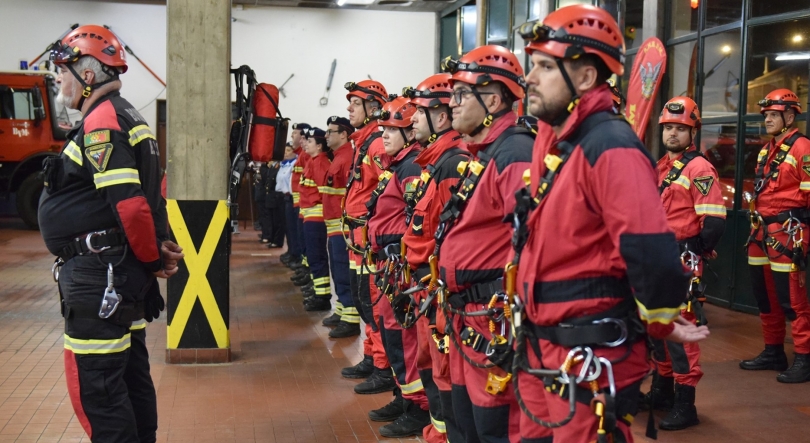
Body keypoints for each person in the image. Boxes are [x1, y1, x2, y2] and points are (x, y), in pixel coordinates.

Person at [514, 6, 709, 442]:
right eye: (533, 65)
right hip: (542, 342)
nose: (530, 78)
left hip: (588, 352)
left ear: (584, 79)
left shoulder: (611, 147)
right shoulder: (558, 140)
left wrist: (659, 321)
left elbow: (651, 253)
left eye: (545, 67)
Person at [38, 24, 183, 443]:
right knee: (130, 377)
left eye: (63, 70)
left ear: (88, 74)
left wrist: (153, 258)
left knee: (99, 390)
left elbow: (130, 204)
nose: (58, 79)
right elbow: (152, 196)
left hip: (99, 275)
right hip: (119, 272)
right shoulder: (130, 115)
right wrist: (153, 252)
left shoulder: (102, 121)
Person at [437, 44, 533, 443]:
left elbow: (531, 242)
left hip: (491, 318)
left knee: (493, 427)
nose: (451, 104)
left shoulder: (515, 154)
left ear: (493, 100)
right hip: (467, 315)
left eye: (461, 95)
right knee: (464, 420)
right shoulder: (486, 151)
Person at [402, 72, 469, 443]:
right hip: (425, 287)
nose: (411, 119)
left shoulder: (451, 165)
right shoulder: (434, 163)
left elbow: (453, 236)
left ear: (441, 118)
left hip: (438, 290)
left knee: (443, 373)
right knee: (430, 367)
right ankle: (435, 433)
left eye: (419, 112)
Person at [650, 96, 725, 430]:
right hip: (658, 258)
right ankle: (662, 393)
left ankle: (686, 405)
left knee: (682, 331)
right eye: (669, 128)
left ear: (692, 131)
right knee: (658, 329)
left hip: (681, 258)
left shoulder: (699, 168)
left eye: (680, 128)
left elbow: (714, 222)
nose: (673, 134)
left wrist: (698, 252)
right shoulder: (661, 166)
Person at [365, 96, 431, 437]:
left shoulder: (410, 168)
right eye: (384, 128)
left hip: (399, 266)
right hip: (388, 265)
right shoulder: (396, 165)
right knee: (392, 336)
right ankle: (404, 397)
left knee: (403, 340)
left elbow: (414, 220)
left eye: (393, 129)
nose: (385, 134)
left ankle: (418, 406)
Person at [741, 88, 810, 384]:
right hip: (762, 230)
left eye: (773, 115)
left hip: (789, 232)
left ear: (790, 116)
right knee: (765, 296)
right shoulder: (767, 149)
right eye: (766, 115)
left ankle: (805, 357)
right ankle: (773, 351)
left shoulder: (802, 147)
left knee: (791, 298)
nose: (767, 120)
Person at [339, 80, 396, 395]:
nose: (349, 109)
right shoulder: (362, 142)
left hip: (368, 239)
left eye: (355, 104)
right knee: (364, 301)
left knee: (373, 301)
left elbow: (387, 193)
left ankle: (382, 367)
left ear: (373, 107)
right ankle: (372, 354)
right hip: (357, 237)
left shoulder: (375, 145)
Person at [321, 116, 361, 337]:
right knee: (337, 270)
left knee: (344, 272)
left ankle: (351, 319)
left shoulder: (348, 159)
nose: (327, 135)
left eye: (331, 131)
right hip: (333, 225)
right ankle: (341, 310)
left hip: (342, 227)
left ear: (344, 134)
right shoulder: (337, 157)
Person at [299, 127, 333, 310]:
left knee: (317, 257)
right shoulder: (313, 161)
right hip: (311, 216)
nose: (306, 144)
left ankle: (322, 297)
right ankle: (318, 291)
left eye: (310, 141)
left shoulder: (320, 163)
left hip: (317, 217)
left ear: (319, 146)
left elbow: (324, 193)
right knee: (313, 256)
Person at [277, 143, 297, 264]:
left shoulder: (294, 163)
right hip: (284, 197)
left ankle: (295, 253)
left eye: (288, 150)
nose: (285, 153)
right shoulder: (283, 164)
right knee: (288, 228)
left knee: (293, 229)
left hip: (292, 197)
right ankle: (291, 251)